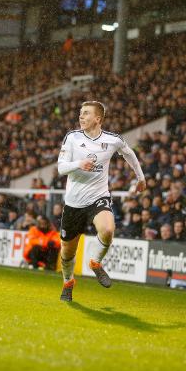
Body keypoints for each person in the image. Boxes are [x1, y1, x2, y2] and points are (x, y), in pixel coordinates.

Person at [56, 101, 146, 302]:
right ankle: (68, 282)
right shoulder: (72, 137)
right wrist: (79, 164)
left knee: (107, 229)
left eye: (86, 113)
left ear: (98, 118)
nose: (81, 116)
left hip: (98, 197)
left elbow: (129, 153)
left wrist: (140, 177)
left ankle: (95, 262)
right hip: (73, 203)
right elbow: (61, 168)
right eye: (80, 113)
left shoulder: (112, 140)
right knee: (67, 252)